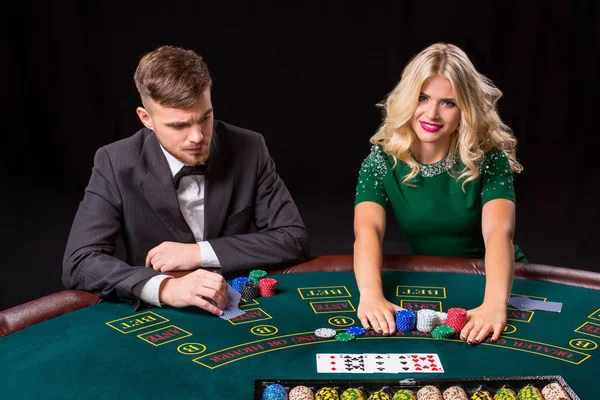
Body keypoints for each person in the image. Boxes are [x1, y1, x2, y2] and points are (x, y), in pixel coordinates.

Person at [63, 45, 310, 315]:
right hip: (161, 314)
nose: (197, 137)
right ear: (146, 119)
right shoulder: (115, 162)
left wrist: (198, 252)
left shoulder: (249, 147)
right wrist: (165, 287)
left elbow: (292, 238)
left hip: (240, 306)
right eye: (179, 125)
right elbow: (80, 261)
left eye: (205, 118)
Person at [353, 43, 525, 344]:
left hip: (498, 281)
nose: (432, 113)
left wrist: (496, 304)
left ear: (465, 109)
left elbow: (500, 233)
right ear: (408, 98)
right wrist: (370, 294)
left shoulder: (489, 158)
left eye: (449, 103)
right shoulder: (381, 161)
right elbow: (367, 230)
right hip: (431, 276)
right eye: (423, 98)